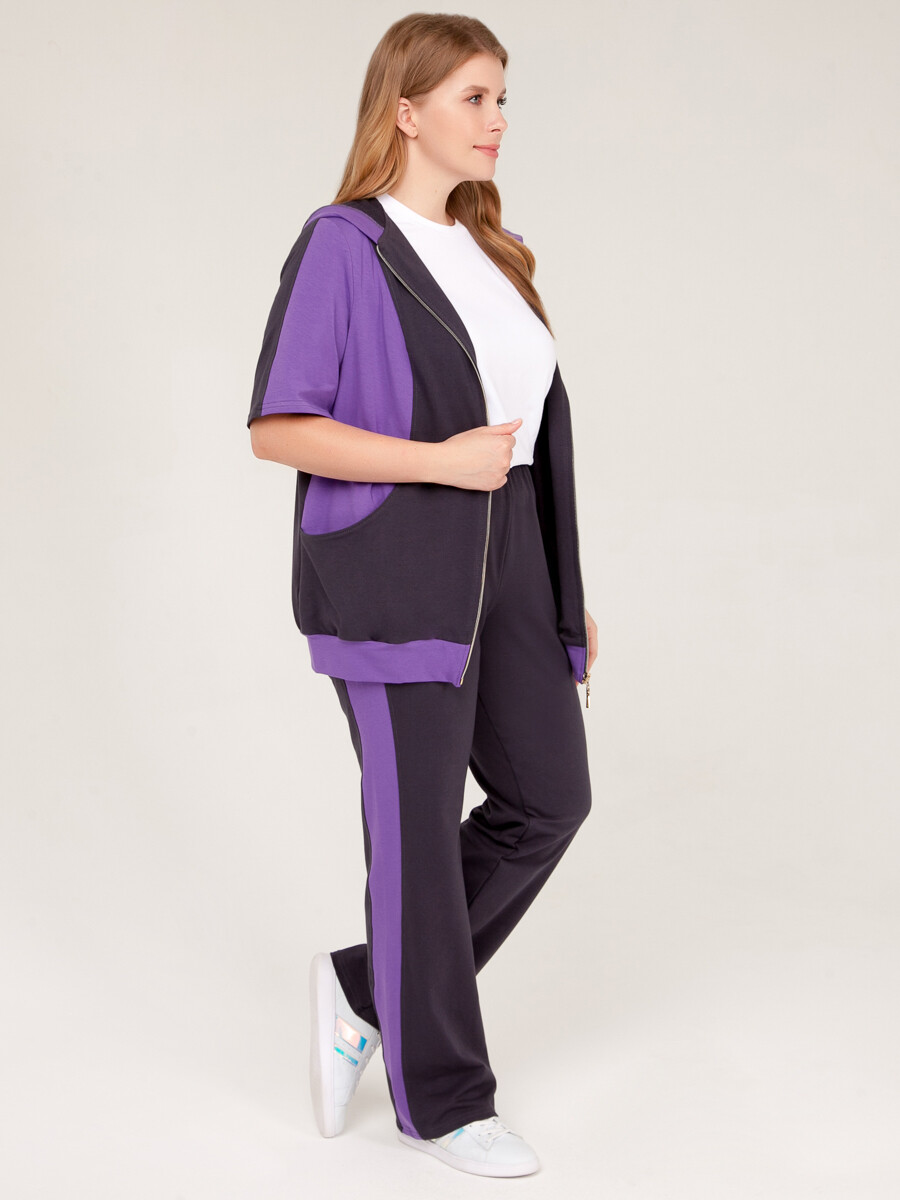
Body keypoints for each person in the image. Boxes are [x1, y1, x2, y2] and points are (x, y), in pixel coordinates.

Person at [247, 12, 598, 1179]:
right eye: (473, 98)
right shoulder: (345, 244)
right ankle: (444, 1100)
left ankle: (363, 988)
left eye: (502, 100)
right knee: (414, 839)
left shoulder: (497, 254)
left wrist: (561, 587)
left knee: (551, 799)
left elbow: (533, 444)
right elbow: (280, 426)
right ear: (406, 110)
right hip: (398, 571)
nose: (497, 121)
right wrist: (437, 464)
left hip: (515, 564)